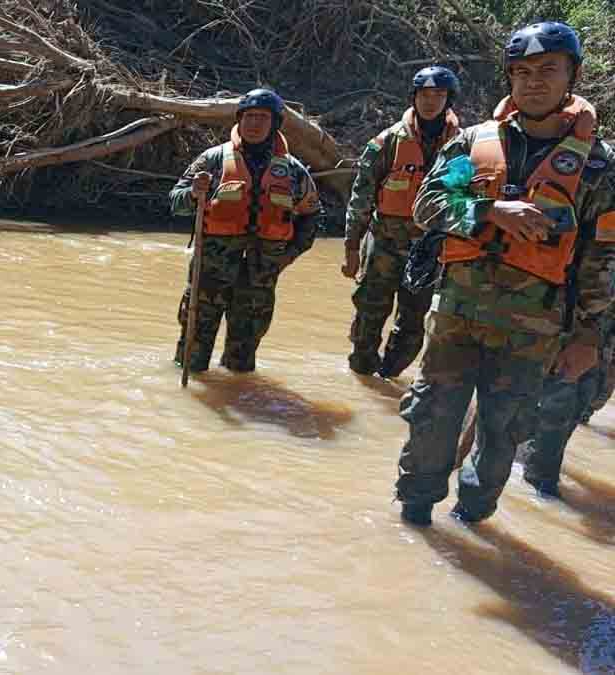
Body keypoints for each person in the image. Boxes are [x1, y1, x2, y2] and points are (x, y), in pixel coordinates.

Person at [393, 21, 615, 526]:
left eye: (547, 71)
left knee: (502, 433)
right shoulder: (472, 144)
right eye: (522, 72)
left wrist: (587, 338)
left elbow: (600, 262)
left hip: (532, 329)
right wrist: (489, 210)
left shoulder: (600, 167)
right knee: (430, 420)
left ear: (571, 77)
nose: (533, 81)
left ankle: (469, 526)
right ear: (509, 79)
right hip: (455, 317)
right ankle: (415, 521)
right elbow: (428, 205)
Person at [170, 88, 324, 373]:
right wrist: (193, 193)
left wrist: (287, 257)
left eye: (262, 118)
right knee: (191, 359)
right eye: (249, 117)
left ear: (275, 123)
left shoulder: (293, 171)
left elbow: (312, 216)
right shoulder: (213, 160)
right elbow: (175, 203)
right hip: (210, 274)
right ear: (239, 120)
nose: (254, 124)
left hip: (259, 279)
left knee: (241, 365)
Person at [343, 66, 463, 378]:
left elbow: (465, 201)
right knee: (369, 314)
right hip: (383, 245)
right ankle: (362, 377)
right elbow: (361, 199)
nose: (431, 101)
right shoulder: (386, 143)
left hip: (429, 251)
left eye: (439, 95)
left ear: (449, 99)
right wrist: (352, 248)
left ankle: (389, 377)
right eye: (425, 94)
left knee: (413, 322)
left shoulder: (463, 146)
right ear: (414, 97)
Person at [523, 304, 614, 492]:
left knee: (581, 403)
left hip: (600, 340)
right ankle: (540, 478)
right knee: (559, 404)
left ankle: (539, 470)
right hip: (571, 326)